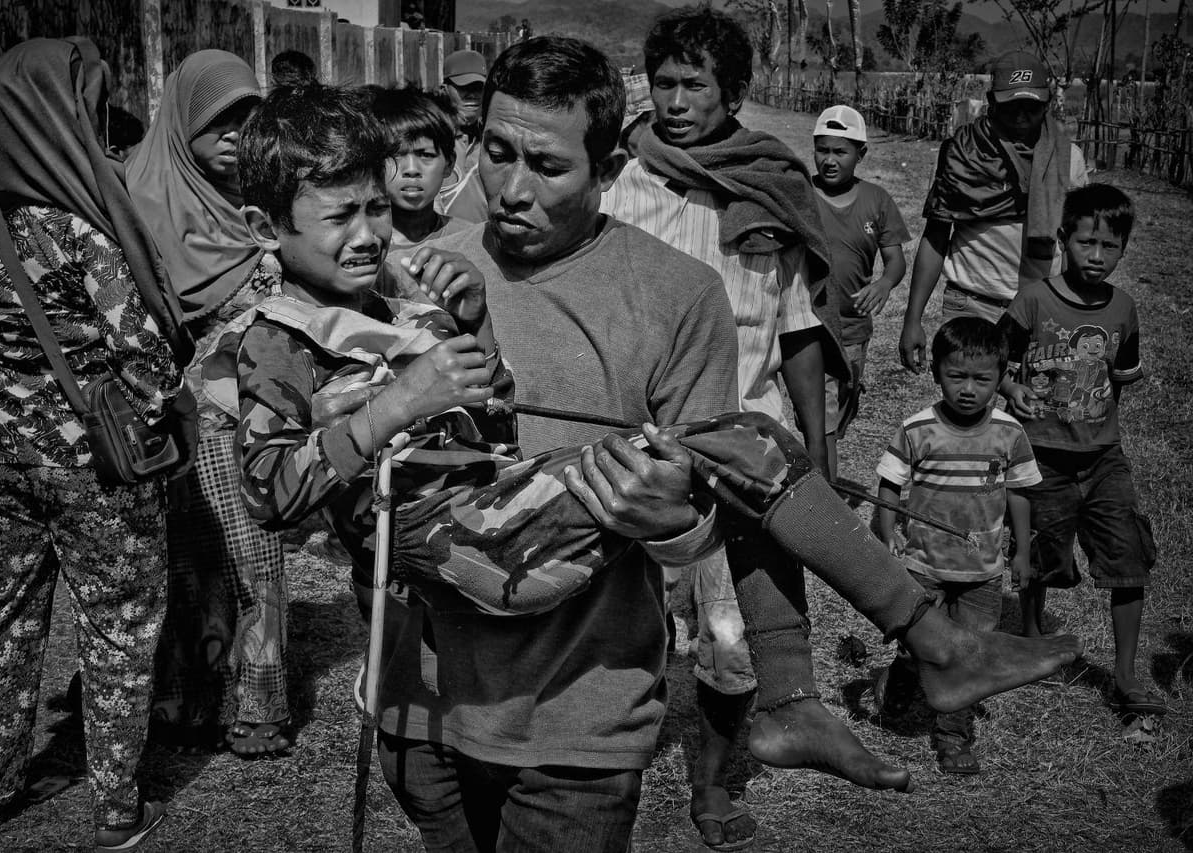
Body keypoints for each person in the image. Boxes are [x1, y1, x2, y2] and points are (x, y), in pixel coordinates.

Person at [224, 37, 1079, 853]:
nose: (510, 189)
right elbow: (307, 476)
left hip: (577, 725)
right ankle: (859, 670)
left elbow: (659, 506)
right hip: (433, 687)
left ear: (610, 167)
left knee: (744, 445)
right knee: (745, 444)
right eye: (494, 153)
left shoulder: (672, 293)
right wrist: (416, 374)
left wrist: (667, 516)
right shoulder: (377, 281)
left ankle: (846, 672)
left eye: (548, 165)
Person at [0, 37, 194, 850]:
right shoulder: (83, 215)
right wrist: (143, 416)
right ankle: (114, 808)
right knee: (117, 625)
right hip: (95, 463)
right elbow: (145, 355)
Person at [598, 9, 858, 848]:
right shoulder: (616, 187)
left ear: (735, 93)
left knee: (733, 636)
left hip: (747, 444)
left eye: (694, 86)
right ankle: (604, 785)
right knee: (613, 630)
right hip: (629, 447)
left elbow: (798, 327)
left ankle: (711, 787)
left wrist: (814, 448)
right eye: (664, 84)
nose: (674, 103)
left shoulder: (771, 186)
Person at [126, 50, 290, 756]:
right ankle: (181, 697)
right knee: (182, 562)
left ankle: (256, 704)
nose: (235, 132)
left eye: (247, 116)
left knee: (256, 558)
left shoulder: (267, 202)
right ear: (180, 123)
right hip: (172, 420)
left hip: (252, 417)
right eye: (217, 119)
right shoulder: (136, 204)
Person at [997, 184, 1167, 717]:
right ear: (1063, 240)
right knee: (1043, 552)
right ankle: (1030, 637)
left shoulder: (1124, 308)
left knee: (1129, 555)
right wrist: (1012, 387)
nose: (1096, 257)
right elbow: (993, 358)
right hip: (1042, 457)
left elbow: (1125, 372)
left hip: (1103, 458)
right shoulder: (1033, 300)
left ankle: (1124, 672)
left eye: (1110, 246)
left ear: (1124, 249)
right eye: (1086, 243)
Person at [875, 317, 1042, 774]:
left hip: (982, 573)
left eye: (982, 379)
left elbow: (1020, 492)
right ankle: (904, 678)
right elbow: (889, 483)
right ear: (936, 373)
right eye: (956, 376)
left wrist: (1021, 550)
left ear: (1001, 376)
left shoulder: (1009, 433)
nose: (968, 389)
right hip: (923, 564)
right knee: (918, 646)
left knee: (968, 656)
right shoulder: (917, 430)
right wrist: (885, 530)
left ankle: (953, 735)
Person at [899, 49, 1090, 374]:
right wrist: (912, 318)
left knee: (1035, 413)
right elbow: (935, 237)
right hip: (970, 305)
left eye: (1030, 107)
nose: (1020, 116)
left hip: (1042, 308)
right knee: (968, 414)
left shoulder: (1067, 160)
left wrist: (1075, 310)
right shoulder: (961, 155)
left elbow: (1076, 243)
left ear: (1047, 103)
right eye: (1010, 105)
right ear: (991, 101)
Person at [811, 104, 909, 479]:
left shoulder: (877, 200)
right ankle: (826, 497)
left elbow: (895, 261)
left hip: (853, 331)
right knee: (822, 420)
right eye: (823, 150)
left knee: (843, 406)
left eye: (840, 151)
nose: (829, 160)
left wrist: (884, 283)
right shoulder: (803, 194)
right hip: (811, 324)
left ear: (861, 154)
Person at [372, 86, 472, 269]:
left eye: (425, 155)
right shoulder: (364, 246)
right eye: (396, 155)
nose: (411, 170)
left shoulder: (469, 240)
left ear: (449, 164)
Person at [436, 49, 488, 221]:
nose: (472, 95)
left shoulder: (490, 140)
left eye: (478, 88)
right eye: (464, 88)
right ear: (444, 89)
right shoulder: (431, 139)